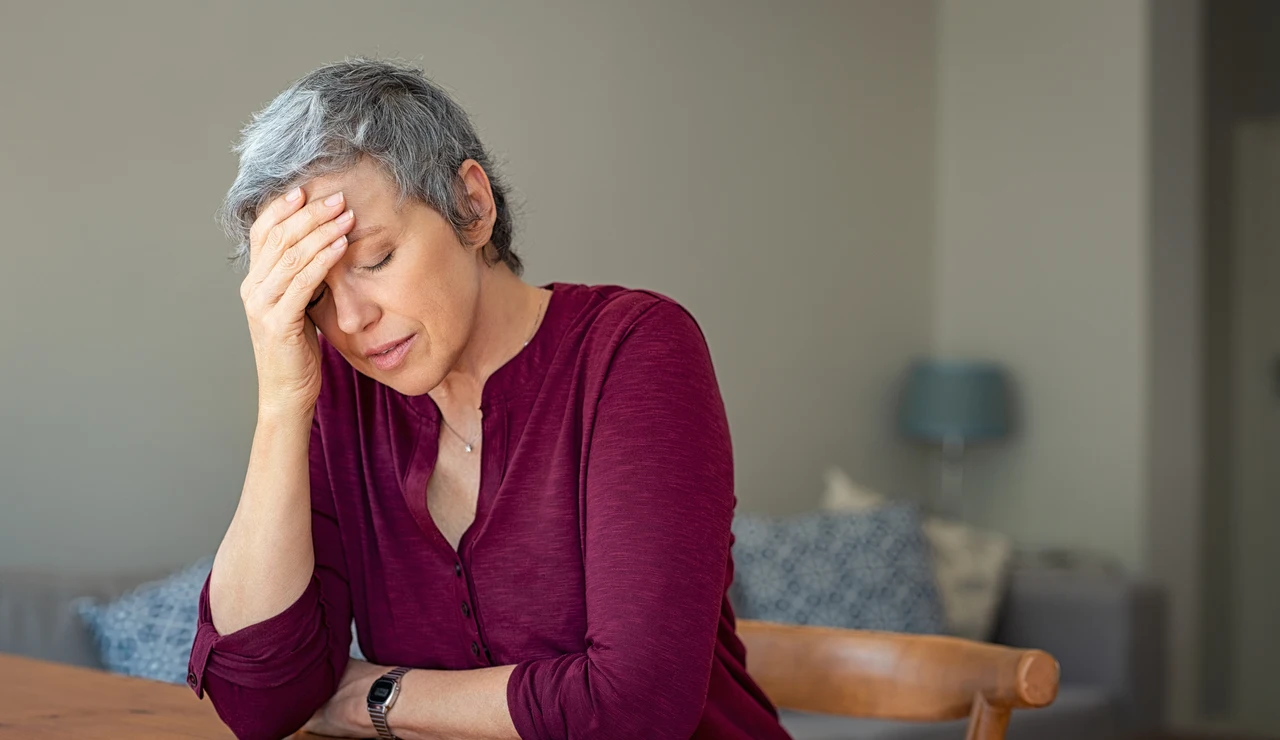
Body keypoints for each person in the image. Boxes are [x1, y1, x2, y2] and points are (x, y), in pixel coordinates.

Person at [186, 57, 793, 740]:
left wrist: (369, 697)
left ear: (471, 206)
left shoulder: (635, 351)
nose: (350, 320)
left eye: (375, 260)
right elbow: (259, 704)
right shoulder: (339, 394)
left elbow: (635, 711)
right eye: (317, 294)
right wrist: (281, 405)